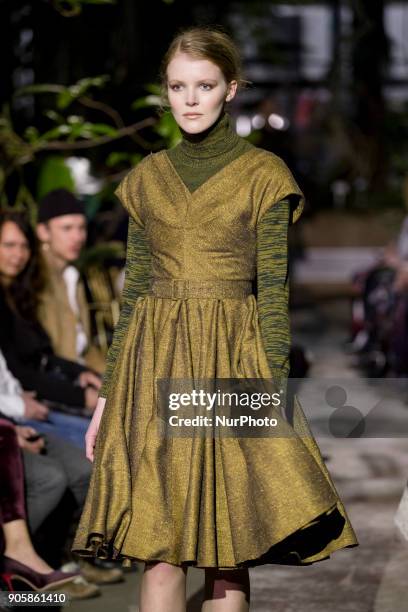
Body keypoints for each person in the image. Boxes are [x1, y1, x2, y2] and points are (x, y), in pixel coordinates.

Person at [72, 26, 359, 612]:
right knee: (157, 548)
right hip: (154, 361)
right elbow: (134, 293)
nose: (191, 98)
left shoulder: (263, 176)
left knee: (226, 555)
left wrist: (274, 393)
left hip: (233, 360)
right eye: (179, 86)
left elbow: (274, 294)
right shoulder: (148, 178)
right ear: (166, 92)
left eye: (204, 85)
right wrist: (107, 394)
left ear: (231, 89)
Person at [0, 211, 100, 447]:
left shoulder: (20, 292)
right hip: (26, 403)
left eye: (24, 246)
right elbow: (19, 371)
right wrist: (80, 397)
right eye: (9, 245)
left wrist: (79, 373)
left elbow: (43, 355)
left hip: (48, 390)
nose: (18, 254)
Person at [36, 189, 106, 374]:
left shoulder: (72, 276)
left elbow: (85, 346)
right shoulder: (35, 279)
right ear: (43, 232)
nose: (78, 237)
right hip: (57, 383)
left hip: (84, 376)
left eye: (81, 228)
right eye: (67, 228)